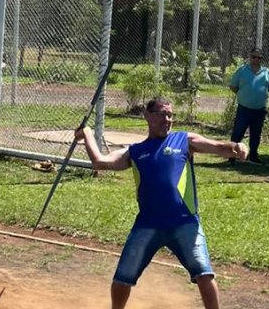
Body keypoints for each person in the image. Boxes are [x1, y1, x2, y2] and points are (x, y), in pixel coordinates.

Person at [75, 97, 247, 309]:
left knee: (204, 274)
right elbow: (101, 162)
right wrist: (88, 135)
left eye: (170, 115)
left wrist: (236, 147)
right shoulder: (135, 151)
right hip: (148, 224)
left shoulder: (184, 140)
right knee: (123, 277)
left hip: (185, 224)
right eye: (162, 114)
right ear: (147, 116)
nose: (167, 119)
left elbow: (218, 147)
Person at [228, 48, 269, 165]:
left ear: (262, 59)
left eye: (259, 57)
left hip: (260, 109)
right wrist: (243, 95)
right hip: (244, 108)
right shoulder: (242, 70)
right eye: (253, 57)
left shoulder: (267, 72)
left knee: (256, 134)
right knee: (238, 132)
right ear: (250, 57)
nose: (256, 59)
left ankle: (253, 156)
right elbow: (233, 86)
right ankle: (232, 155)